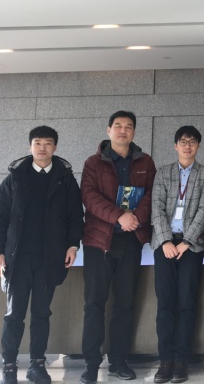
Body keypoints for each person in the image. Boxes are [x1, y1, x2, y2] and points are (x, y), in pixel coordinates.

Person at [0, 125, 84, 384]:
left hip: (49, 258)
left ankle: (37, 365)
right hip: (17, 258)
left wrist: (73, 245)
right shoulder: (15, 177)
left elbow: (76, 215)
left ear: (55, 147)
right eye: (38, 143)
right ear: (30, 146)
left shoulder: (65, 179)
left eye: (48, 143)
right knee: (14, 315)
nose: (42, 148)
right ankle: (9, 366)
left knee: (42, 314)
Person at [79, 111, 156, 384]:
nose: (123, 131)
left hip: (130, 242)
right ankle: (91, 364)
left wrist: (136, 218)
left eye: (129, 127)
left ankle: (119, 361)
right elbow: (88, 196)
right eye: (118, 126)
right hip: (99, 242)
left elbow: (152, 194)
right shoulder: (93, 162)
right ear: (109, 130)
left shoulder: (145, 162)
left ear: (134, 132)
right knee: (94, 304)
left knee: (124, 305)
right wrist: (119, 216)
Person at [151, 126, 204, 384]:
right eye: (183, 141)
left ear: (198, 146)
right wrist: (166, 240)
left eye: (192, 141)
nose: (188, 146)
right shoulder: (162, 172)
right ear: (175, 145)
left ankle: (181, 360)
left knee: (187, 304)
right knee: (165, 304)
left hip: (192, 247)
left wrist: (187, 241)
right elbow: (156, 207)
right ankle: (165, 360)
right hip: (164, 245)